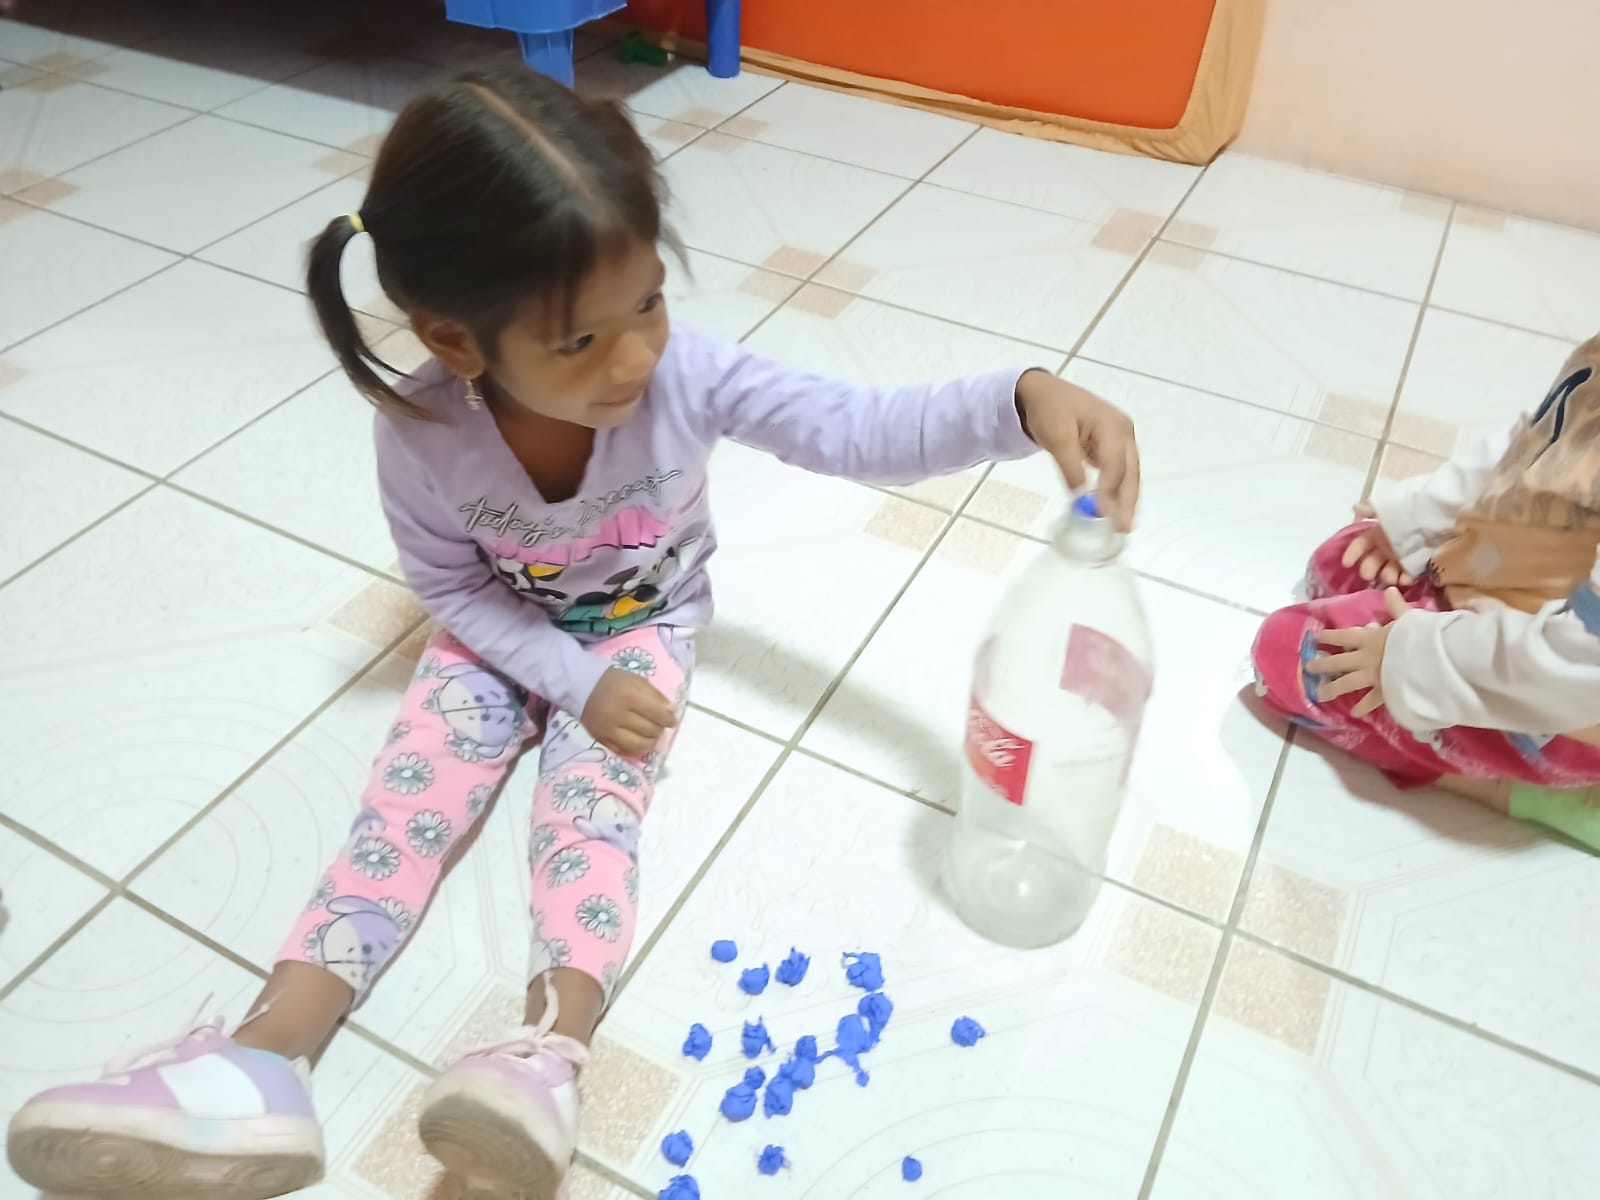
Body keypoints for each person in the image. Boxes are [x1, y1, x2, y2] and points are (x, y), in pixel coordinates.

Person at [6, 63, 1141, 1199]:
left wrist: (1020, 398)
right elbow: (451, 589)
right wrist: (562, 674)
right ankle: (261, 1059)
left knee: (593, 814)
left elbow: (854, 428)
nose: (634, 357)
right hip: (493, 632)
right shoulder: (420, 432)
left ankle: (545, 1057)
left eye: (647, 303)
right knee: (403, 808)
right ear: (458, 342)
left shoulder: (688, 375)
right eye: (580, 340)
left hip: (641, 630)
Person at [1252, 335, 1600, 850]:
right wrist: (1416, 522)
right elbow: (1539, 444)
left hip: (1554, 699)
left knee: (1283, 656)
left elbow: (1572, 669)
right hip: (1510, 589)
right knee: (1337, 560)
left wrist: (1412, 660)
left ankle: (1515, 787)